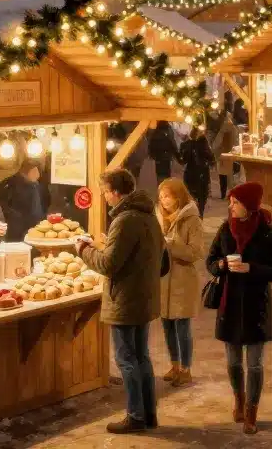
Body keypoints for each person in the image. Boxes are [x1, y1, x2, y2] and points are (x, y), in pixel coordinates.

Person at [78, 169, 164, 434]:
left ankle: (136, 416)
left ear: (115, 192)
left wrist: (84, 250)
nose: (104, 197)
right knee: (142, 357)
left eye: (104, 192)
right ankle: (148, 413)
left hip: (126, 299)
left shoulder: (125, 220)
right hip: (144, 295)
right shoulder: (149, 215)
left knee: (126, 359)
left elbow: (108, 264)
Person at [205, 182, 272, 435]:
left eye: (235, 202)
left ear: (248, 205)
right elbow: (210, 260)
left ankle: (252, 410)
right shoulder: (225, 229)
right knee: (233, 362)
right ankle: (238, 400)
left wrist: (251, 268)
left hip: (256, 304)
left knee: (255, 364)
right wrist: (221, 265)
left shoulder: (267, 234)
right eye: (230, 202)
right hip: (229, 303)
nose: (230, 206)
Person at [156, 178, 205, 387]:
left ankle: (186, 368)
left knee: (182, 326)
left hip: (183, 280)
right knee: (166, 325)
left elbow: (195, 252)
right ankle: (174, 365)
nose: (164, 201)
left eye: (167, 196)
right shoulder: (160, 217)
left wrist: (170, 245)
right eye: (161, 197)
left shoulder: (191, 219)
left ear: (178, 196)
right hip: (163, 279)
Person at [0, 158, 45, 242]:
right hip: (16, 231)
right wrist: (16, 217)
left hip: (36, 229)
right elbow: (2, 205)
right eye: (35, 171)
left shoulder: (37, 185)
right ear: (25, 172)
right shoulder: (9, 184)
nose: (38, 175)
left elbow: (44, 203)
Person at [178, 127, 215, 217]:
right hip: (202, 175)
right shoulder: (204, 144)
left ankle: (193, 215)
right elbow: (212, 159)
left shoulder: (186, 145)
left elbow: (182, 161)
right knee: (202, 198)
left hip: (190, 174)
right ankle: (199, 216)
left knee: (191, 197)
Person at [207, 107, 239, 199]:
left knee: (223, 176)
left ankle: (224, 194)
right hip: (229, 155)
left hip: (222, 156)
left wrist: (214, 151)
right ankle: (230, 193)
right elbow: (235, 141)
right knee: (229, 176)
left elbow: (216, 144)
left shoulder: (223, 128)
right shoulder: (232, 128)